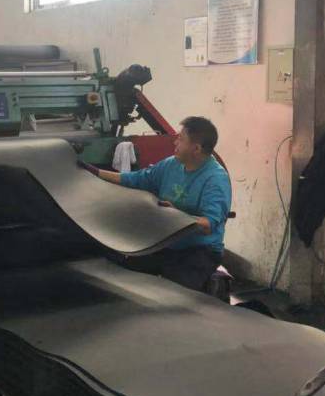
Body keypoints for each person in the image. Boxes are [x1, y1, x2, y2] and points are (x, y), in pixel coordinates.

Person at [82, 116, 231, 292]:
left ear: (196, 148)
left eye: (181, 139)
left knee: (175, 293)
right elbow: (137, 179)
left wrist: (176, 216)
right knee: (124, 274)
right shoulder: (171, 165)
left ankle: (214, 281)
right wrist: (96, 173)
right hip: (167, 243)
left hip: (199, 250)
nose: (175, 142)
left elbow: (208, 225)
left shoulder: (215, 179)